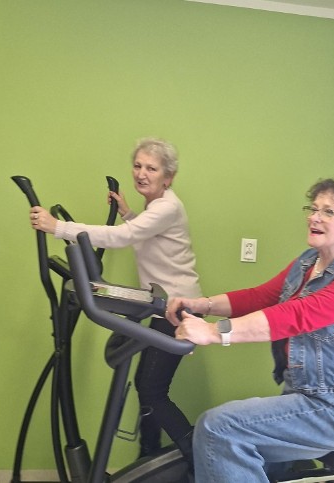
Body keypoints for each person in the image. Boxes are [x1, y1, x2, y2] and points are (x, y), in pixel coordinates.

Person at [167, 178, 334, 482]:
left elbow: (297, 316)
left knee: (218, 428)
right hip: (301, 396)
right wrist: (200, 304)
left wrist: (212, 332)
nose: (314, 217)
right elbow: (261, 297)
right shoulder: (308, 262)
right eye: (313, 209)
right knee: (233, 441)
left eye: (328, 212)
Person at [29, 137, 201, 463]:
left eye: (152, 168)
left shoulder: (167, 207)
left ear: (168, 177)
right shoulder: (158, 206)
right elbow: (145, 233)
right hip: (164, 306)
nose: (142, 173)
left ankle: (199, 458)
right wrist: (127, 212)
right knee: (148, 388)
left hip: (178, 310)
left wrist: (58, 227)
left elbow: (124, 237)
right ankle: (148, 458)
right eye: (138, 165)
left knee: (151, 390)